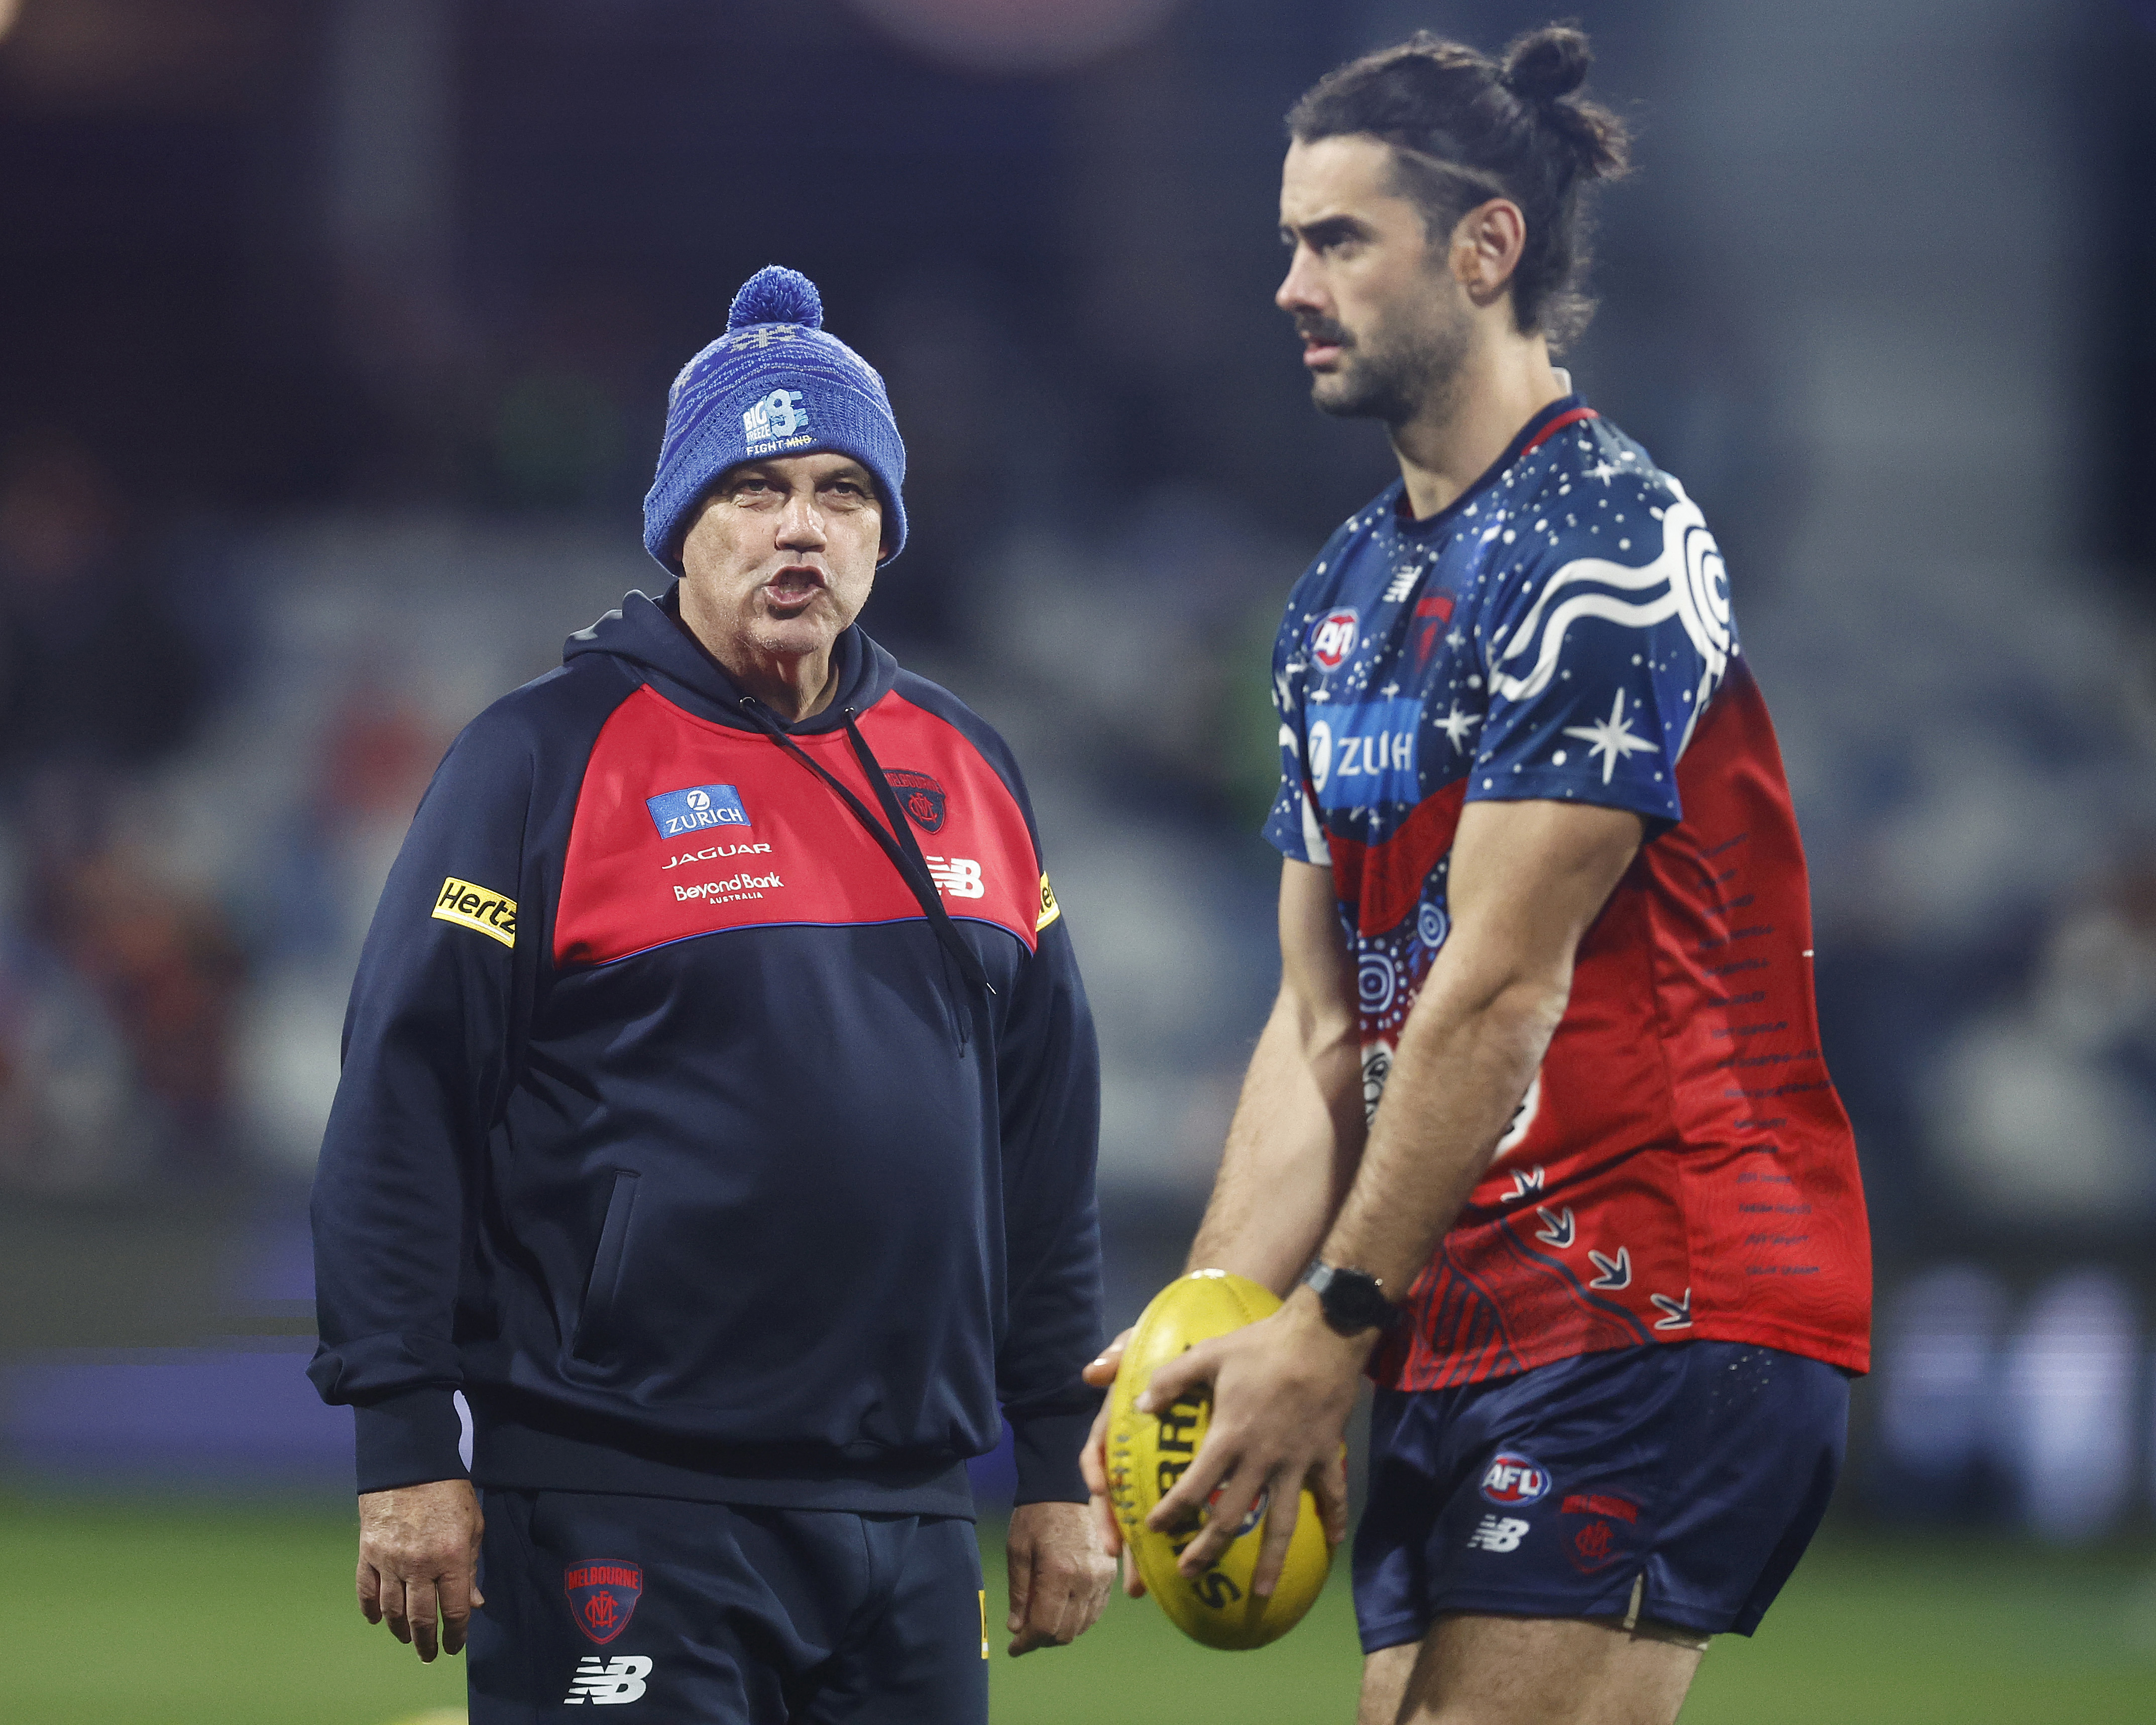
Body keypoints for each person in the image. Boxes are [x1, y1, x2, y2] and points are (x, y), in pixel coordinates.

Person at [1080, 28, 1870, 1725]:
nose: (1289, 282)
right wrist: (1208, 1335)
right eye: (1289, 241)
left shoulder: (1607, 547)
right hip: (1459, 1309)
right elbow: (1320, 1031)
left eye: (1337, 240)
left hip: (1661, 1288)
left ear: (1485, 246)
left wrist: (1332, 1321)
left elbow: (1501, 992)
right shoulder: (1334, 600)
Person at [310, 265, 1114, 1722]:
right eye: (754, 487)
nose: (802, 524)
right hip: (622, 1496)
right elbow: (399, 1108)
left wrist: (1056, 1458)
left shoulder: (974, 769)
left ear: (886, 531)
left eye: (842, 491)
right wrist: (406, 1439)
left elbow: (1044, 1152)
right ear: (682, 520)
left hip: (910, 1516)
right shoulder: (541, 760)